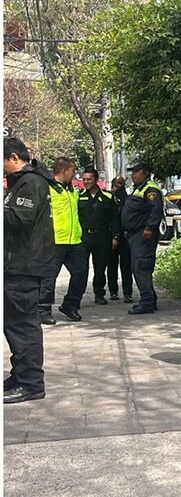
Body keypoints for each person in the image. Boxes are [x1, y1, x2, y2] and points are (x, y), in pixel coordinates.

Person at [3, 137, 56, 403]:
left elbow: (19, 219)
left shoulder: (31, 183)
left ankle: (31, 383)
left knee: (23, 325)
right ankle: (20, 374)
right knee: (13, 324)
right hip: (15, 264)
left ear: (14, 158)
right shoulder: (20, 183)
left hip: (25, 265)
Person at [39, 157, 88, 324]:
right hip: (55, 241)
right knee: (49, 277)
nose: (75, 174)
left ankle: (70, 305)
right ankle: (43, 309)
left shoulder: (72, 189)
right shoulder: (47, 188)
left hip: (74, 240)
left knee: (81, 273)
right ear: (64, 170)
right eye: (73, 170)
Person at [120, 162, 164, 315]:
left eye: (136, 172)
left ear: (145, 173)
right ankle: (150, 299)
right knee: (138, 267)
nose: (133, 175)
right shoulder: (138, 189)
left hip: (143, 235)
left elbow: (156, 210)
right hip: (134, 235)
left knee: (141, 268)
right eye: (133, 172)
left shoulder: (151, 189)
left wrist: (149, 228)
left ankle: (146, 302)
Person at [78, 168, 120, 306]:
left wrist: (115, 236)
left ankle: (99, 294)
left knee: (100, 267)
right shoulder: (79, 196)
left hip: (102, 236)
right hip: (83, 237)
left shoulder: (107, 197)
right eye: (84, 179)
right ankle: (77, 296)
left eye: (89, 179)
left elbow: (115, 218)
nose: (86, 182)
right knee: (81, 268)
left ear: (96, 180)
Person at [107, 176, 132, 303]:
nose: (117, 188)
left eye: (120, 185)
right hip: (111, 236)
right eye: (116, 185)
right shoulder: (109, 200)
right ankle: (113, 291)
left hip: (125, 236)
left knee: (126, 266)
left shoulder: (127, 199)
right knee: (112, 265)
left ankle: (127, 293)